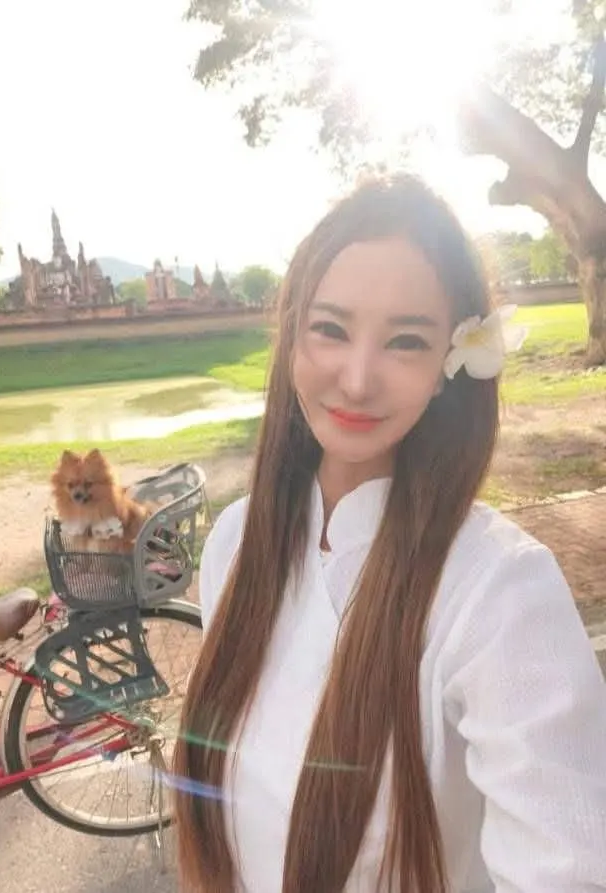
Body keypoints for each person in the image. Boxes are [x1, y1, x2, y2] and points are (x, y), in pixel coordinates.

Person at [172, 174, 606, 893]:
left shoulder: (497, 591)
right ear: (291, 337)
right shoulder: (235, 542)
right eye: (330, 329)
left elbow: (570, 867)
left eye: (406, 341)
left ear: (448, 366)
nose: (357, 379)